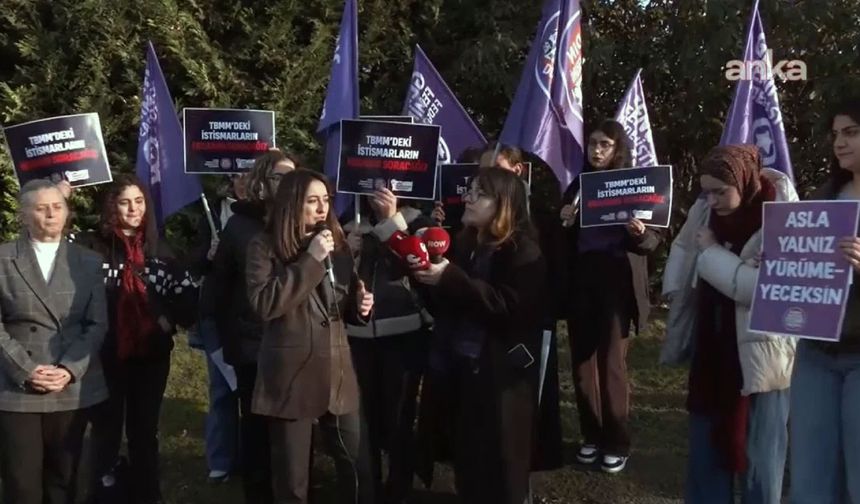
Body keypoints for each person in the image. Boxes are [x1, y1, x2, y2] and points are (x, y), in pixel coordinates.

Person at [662, 145, 797, 503]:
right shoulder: (705, 212)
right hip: (713, 349)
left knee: (760, 457)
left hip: (761, 357)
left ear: (744, 181)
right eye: (706, 191)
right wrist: (676, 291)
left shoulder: (781, 217)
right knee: (706, 449)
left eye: (721, 191)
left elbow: (756, 290)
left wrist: (712, 253)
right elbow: (683, 249)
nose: (713, 200)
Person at [413, 168, 546, 504]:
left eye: (479, 194)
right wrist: (427, 277)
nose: (468, 199)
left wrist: (452, 278)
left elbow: (508, 307)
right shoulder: (466, 241)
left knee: (499, 467)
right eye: (469, 191)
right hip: (459, 366)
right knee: (467, 458)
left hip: (498, 373)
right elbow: (448, 303)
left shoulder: (523, 250)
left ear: (503, 205)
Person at [246, 168, 375, 504]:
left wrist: (361, 307)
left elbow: (342, 304)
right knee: (293, 480)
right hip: (292, 375)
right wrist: (311, 260)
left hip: (337, 371)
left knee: (358, 465)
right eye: (312, 201)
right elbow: (265, 303)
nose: (322, 208)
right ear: (292, 204)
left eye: (326, 200)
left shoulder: (338, 242)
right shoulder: (264, 245)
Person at [79, 174, 198, 504]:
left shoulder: (161, 250)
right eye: (124, 202)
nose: (133, 209)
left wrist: (167, 320)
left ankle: (148, 494)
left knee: (144, 432)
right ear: (111, 207)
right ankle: (102, 494)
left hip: (151, 357)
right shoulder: (91, 247)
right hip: (106, 356)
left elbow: (189, 300)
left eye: (139, 201)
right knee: (106, 430)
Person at [558, 119, 662, 473]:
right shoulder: (577, 186)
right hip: (582, 281)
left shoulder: (635, 185)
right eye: (592, 144)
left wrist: (639, 232)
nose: (597, 151)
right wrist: (564, 220)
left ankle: (617, 441)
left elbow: (652, 242)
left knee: (612, 363)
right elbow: (562, 239)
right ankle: (591, 435)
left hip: (616, 281)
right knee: (583, 363)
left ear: (618, 149)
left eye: (605, 144)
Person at [0, 180, 108, 504]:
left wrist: (69, 369)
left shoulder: (88, 261)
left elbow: (97, 323)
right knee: (22, 484)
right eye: (41, 208)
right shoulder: (3, 259)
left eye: (58, 207)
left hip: (71, 386)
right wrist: (26, 369)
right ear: (23, 215)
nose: (51, 214)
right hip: (16, 385)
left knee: (66, 480)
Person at [212, 149, 297, 503]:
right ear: (263, 182)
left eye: (293, 177)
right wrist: (228, 343)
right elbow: (219, 291)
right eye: (280, 177)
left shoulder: (304, 221)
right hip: (253, 347)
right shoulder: (239, 225)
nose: (288, 185)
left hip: (296, 344)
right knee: (258, 429)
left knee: (293, 431)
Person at [343, 188, 435, 503]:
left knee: (399, 418)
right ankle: (367, 490)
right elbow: (335, 277)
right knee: (361, 420)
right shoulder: (349, 221)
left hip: (404, 333)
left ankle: (399, 490)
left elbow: (419, 264)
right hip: (358, 337)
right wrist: (346, 252)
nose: (378, 190)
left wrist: (390, 221)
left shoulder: (417, 221)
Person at [789, 99, 860, 503]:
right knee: (811, 480)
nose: (839, 142)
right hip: (815, 353)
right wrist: (784, 259)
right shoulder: (825, 195)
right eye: (835, 134)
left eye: (850, 132)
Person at [190, 173, 248, 483]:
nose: (245, 180)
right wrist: (206, 254)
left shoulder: (274, 211)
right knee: (222, 390)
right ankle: (221, 461)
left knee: (254, 391)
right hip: (217, 315)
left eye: (252, 173)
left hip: (255, 314)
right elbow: (194, 262)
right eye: (239, 175)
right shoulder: (211, 212)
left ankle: (256, 456)